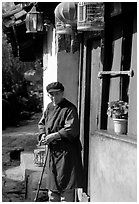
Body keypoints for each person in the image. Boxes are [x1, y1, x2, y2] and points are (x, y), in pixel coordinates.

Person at [38, 82, 84, 202]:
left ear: (62, 93)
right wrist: (43, 134)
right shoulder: (49, 107)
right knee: (52, 188)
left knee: (66, 187)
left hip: (67, 153)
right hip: (53, 153)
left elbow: (71, 128)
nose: (54, 97)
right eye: (51, 95)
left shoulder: (69, 108)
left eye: (57, 94)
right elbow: (42, 123)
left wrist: (53, 136)